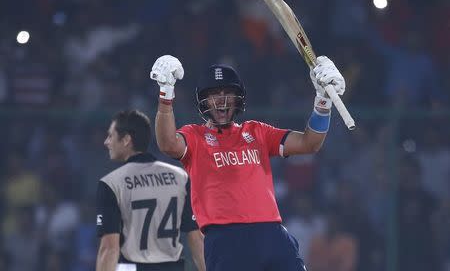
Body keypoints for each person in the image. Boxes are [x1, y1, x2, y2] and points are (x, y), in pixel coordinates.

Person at [150, 55, 345, 271]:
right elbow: (168, 144)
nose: (222, 100)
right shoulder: (194, 135)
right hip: (226, 240)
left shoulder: (257, 131)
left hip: (272, 235)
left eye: (228, 94)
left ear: (238, 98)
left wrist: (323, 101)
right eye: (214, 94)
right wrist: (165, 95)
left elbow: (310, 143)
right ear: (203, 101)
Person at [95, 110, 206, 271]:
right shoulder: (180, 177)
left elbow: (109, 248)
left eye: (111, 136)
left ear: (126, 140)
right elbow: (197, 240)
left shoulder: (112, 183)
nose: (106, 142)